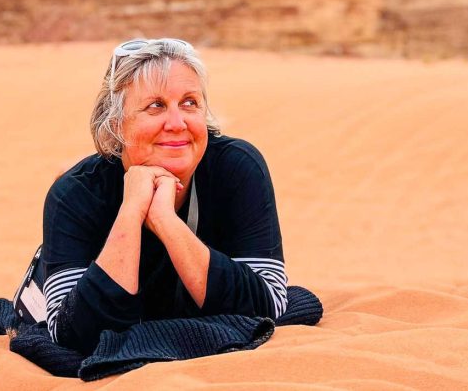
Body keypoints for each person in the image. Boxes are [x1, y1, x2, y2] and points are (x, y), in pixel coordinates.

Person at [39, 38, 287, 354]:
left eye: (189, 103)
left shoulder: (236, 168)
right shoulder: (74, 194)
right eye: (156, 106)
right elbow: (73, 337)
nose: (177, 123)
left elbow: (271, 305)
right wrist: (132, 211)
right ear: (115, 123)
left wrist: (165, 221)